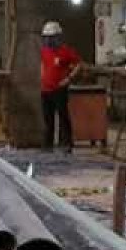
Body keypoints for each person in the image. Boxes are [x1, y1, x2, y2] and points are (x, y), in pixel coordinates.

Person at [40, 21, 83, 152]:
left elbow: (79, 64)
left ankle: (67, 144)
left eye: (50, 38)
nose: (48, 40)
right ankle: (48, 145)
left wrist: (68, 79)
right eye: (46, 38)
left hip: (59, 89)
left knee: (63, 117)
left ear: (57, 37)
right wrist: (42, 78)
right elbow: (43, 65)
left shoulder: (66, 51)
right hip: (45, 90)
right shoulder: (44, 51)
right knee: (48, 119)